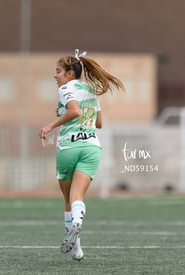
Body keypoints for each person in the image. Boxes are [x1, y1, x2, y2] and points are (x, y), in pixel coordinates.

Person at [39, 49, 124, 261]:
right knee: (79, 197)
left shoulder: (66, 88)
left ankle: (76, 239)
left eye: (58, 71)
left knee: (68, 199)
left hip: (69, 147)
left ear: (69, 73)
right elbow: (99, 123)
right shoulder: (91, 90)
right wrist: (65, 112)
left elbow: (75, 111)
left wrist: (50, 125)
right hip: (91, 147)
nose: (55, 75)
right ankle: (77, 249)